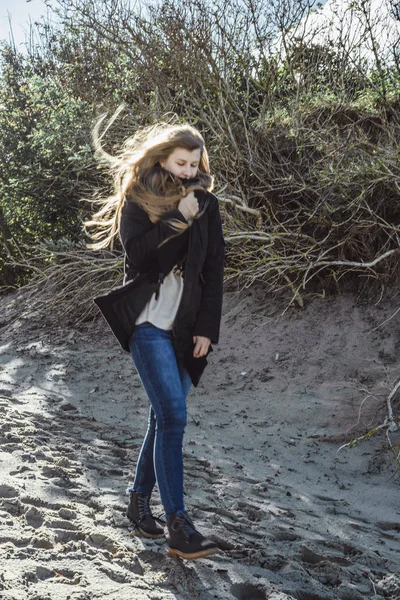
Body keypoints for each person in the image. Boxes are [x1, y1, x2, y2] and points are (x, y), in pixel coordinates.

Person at [86, 115, 225, 560]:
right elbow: (142, 258)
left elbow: (214, 271)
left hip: (186, 330)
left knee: (164, 417)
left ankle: (138, 500)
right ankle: (178, 525)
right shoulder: (138, 198)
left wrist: (207, 327)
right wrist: (175, 220)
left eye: (194, 163)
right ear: (163, 157)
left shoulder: (207, 203)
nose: (188, 170)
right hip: (147, 324)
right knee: (173, 415)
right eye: (181, 162)